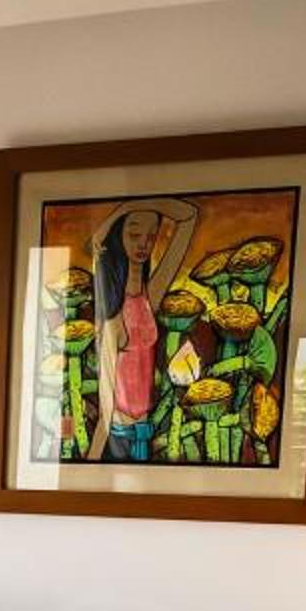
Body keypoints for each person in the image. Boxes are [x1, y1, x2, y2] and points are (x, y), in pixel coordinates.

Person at [82, 197, 200, 463]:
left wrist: (132, 205)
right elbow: (106, 402)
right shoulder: (112, 318)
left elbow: (189, 216)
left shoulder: (150, 296)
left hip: (143, 435)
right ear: (118, 237)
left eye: (151, 235)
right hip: (118, 438)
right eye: (134, 234)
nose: (144, 243)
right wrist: (91, 460)